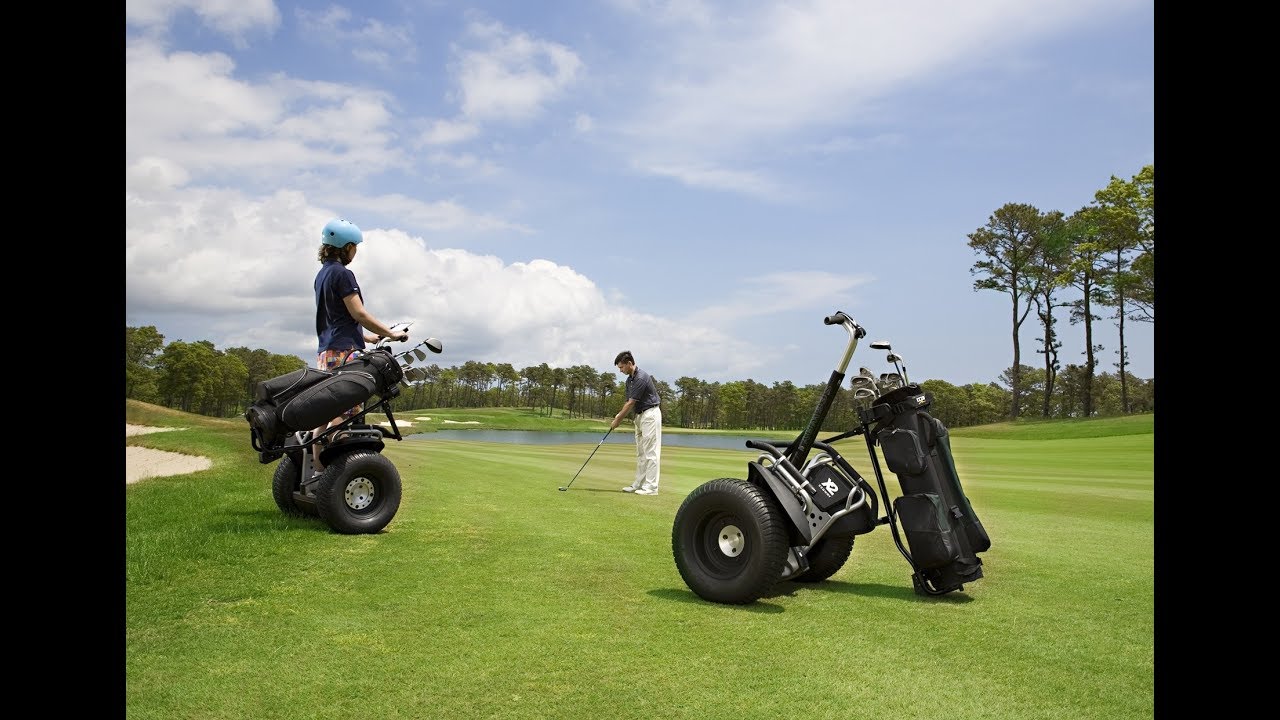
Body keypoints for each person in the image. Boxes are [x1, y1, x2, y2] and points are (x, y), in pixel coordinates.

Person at [311, 218, 408, 473]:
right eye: (354, 247)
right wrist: (391, 333)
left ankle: (320, 473)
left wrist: (370, 338)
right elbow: (359, 314)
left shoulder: (322, 275)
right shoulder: (343, 274)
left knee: (326, 413)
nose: (355, 252)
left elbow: (337, 319)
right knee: (345, 414)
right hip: (344, 353)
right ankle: (338, 473)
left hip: (327, 352)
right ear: (346, 247)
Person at [610, 350, 662, 495]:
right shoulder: (629, 380)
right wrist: (619, 415)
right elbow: (628, 401)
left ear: (629, 363)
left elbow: (631, 403)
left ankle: (651, 488)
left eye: (621, 367)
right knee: (641, 453)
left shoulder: (641, 377)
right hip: (639, 417)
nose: (620, 371)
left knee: (651, 452)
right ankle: (638, 484)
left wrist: (617, 420)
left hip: (650, 414)